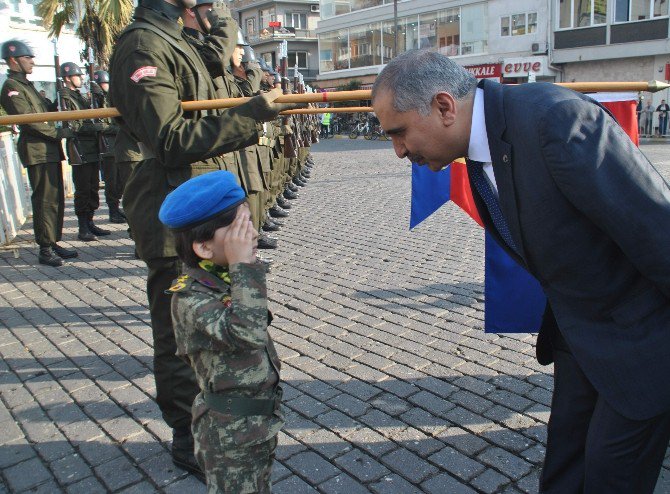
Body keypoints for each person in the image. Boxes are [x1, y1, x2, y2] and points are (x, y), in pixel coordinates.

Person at [372, 50, 670, 494]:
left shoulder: (557, 121)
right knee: (564, 472)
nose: (398, 151)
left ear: (444, 107)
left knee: (611, 476)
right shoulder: (479, 145)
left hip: (642, 346)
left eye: (399, 133)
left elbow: (658, 232)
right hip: (580, 339)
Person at [108, 0, 300, 477]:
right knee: (179, 334)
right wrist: (252, 114)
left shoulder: (179, 37)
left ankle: (216, 420)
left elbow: (216, 58)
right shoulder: (142, 44)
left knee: (218, 318)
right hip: (178, 212)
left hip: (203, 200)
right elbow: (169, 137)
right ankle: (186, 435)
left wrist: (217, 17)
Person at [158, 170, 283, 493]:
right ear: (203, 247)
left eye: (250, 224)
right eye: (240, 231)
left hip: (254, 425)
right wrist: (245, 267)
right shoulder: (191, 298)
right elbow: (248, 334)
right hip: (229, 436)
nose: (252, 235)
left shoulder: (221, 278)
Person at [0, 40, 77, 266]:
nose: (32, 61)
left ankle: (52, 241)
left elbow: (46, 110)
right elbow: (30, 121)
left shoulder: (28, 85)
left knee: (55, 199)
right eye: (27, 58)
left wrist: (61, 98)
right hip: (37, 150)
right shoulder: (12, 87)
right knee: (44, 200)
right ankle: (44, 248)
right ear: (14, 60)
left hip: (48, 150)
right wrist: (59, 132)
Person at [58, 62, 111, 241]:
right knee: (83, 189)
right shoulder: (66, 97)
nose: (81, 79)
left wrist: (100, 97)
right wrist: (95, 127)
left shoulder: (78, 97)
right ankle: (82, 227)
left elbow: (92, 114)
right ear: (67, 78)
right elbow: (74, 125)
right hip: (80, 148)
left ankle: (90, 222)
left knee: (93, 188)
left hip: (91, 148)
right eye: (77, 76)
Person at [91, 70, 127, 224]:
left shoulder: (109, 99)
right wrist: (119, 128)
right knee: (111, 182)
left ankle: (116, 209)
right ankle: (113, 211)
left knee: (119, 182)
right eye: (105, 84)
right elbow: (101, 126)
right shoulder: (97, 100)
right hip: (107, 148)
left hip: (117, 146)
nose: (107, 86)